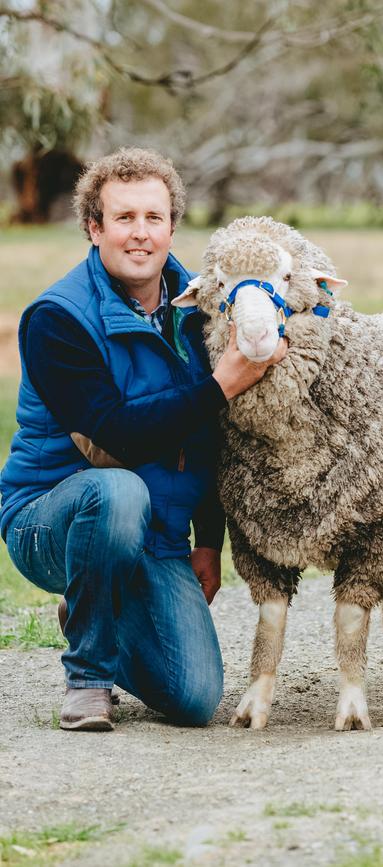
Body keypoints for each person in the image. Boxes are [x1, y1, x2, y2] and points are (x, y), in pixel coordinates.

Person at [0, 147, 286, 731]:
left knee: (195, 697)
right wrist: (222, 382)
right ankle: (88, 677)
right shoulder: (56, 319)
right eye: (123, 218)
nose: (139, 234)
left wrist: (207, 540)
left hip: (153, 529)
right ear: (93, 227)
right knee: (116, 491)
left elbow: (212, 436)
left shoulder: (204, 303)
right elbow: (119, 438)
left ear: (172, 226)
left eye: (153, 219)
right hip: (51, 516)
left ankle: (93, 601)